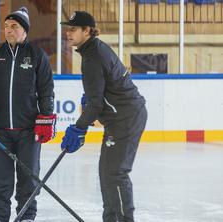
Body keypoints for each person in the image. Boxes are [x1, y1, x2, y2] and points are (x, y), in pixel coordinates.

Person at [60, 11, 147, 222]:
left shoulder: (93, 57)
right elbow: (99, 92)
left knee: (115, 174)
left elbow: (96, 105)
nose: (68, 33)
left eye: (73, 29)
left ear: (87, 31)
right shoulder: (93, 51)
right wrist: (88, 98)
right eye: (67, 29)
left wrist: (79, 128)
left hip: (125, 118)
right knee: (107, 174)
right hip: (121, 118)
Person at [0, 7, 56, 222]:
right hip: (0, 131)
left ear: (25, 31)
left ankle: (26, 216)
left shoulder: (37, 56)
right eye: (6, 26)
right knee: (0, 180)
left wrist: (45, 118)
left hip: (28, 131)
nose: (8, 30)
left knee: (28, 178)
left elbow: (46, 90)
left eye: (14, 26)